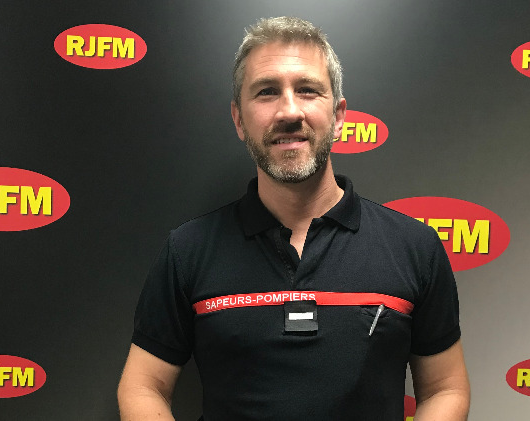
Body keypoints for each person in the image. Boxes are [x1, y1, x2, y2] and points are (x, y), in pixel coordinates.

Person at [118, 16, 470, 421]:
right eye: (267, 92)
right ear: (239, 119)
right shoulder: (188, 250)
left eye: (307, 90)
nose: (289, 111)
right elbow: (142, 386)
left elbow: (446, 389)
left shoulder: (414, 247)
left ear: (338, 116)